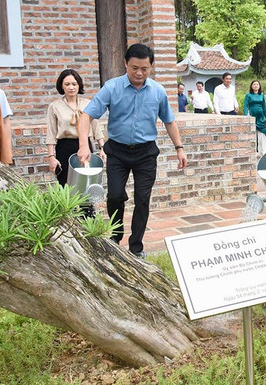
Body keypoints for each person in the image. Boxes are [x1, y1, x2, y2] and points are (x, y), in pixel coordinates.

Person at [77, 44, 188, 258]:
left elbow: (169, 121)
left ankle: (136, 247)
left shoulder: (158, 91)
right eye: (134, 68)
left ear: (151, 67)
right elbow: (86, 115)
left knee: (142, 199)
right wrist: (83, 144)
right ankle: (115, 235)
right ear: (125, 64)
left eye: (144, 69)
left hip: (146, 153)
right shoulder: (112, 87)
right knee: (115, 196)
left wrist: (179, 148)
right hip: (117, 152)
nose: (139, 73)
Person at [46, 69, 106, 217]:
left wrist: (102, 148)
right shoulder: (55, 106)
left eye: (74, 84)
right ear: (61, 86)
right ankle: (69, 219)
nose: (71, 87)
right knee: (66, 186)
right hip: (64, 147)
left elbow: (96, 127)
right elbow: (51, 132)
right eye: (67, 84)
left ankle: (88, 218)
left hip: (85, 147)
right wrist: (51, 156)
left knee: (87, 184)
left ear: (79, 85)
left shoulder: (88, 104)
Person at [243, 80, 266, 155]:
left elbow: (264, 106)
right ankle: (254, 151)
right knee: (253, 134)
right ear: (251, 86)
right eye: (254, 84)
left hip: (261, 116)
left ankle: (263, 150)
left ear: (259, 86)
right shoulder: (248, 95)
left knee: (262, 133)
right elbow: (245, 106)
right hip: (252, 116)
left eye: (257, 84)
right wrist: (245, 115)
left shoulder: (261, 95)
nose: (256, 85)